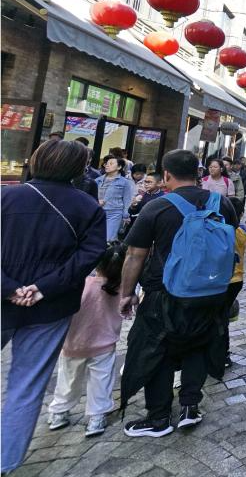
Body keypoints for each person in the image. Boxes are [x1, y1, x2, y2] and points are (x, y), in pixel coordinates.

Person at [1, 140, 107, 472]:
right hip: (51, 305)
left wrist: (9, 288)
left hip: (5, 298)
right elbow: (89, 255)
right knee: (27, 385)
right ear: (78, 169)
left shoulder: (6, 197)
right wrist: (42, 288)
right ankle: (5, 460)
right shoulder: (88, 207)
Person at [118, 149, 238, 438]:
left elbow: (134, 255)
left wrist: (127, 293)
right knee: (198, 346)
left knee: (158, 351)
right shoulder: (221, 203)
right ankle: (189, 407)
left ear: (166, 174)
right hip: (210, 291)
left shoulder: (157, 207)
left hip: (164, 293)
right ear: (199, 173)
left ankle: (159, 417)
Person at [46, 243, 126, 438]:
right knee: (101, 381)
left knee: (68, 380)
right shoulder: (122, 289)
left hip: (74, 343)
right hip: (104, 346)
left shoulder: (82, 284)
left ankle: (59, 412)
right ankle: (97, 417)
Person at [224, 196, 246, 368]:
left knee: (218, 319)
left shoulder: (220, 232)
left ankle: (220, 353)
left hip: (223, 280)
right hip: (237, 279)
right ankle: (224, 353)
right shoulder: (241, 233)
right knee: (222, 319)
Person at [97, 155, 134, 242]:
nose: (107, 165)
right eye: (106, 163)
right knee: (97, 238)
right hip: (98, 212)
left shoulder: (125, 182)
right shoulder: (97, 180)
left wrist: (125, 215)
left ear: (119, 167)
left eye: (111, 163)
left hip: (114, 213)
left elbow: (127, 200)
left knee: (109, 239)